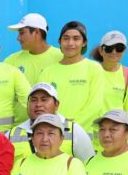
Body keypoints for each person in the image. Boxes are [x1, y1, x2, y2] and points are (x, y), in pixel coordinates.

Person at [39, 21, 105, 150]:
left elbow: (95, 105)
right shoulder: (47, 72)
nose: (70, 43)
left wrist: (70, 129)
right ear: (59, 42)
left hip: (84, 138)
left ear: (84, 42)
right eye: (66, 38)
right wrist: (56, 129)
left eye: (76, 39)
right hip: (54, 139)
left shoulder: (94, 69)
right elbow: (43, 107)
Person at [4, 13, 63, 85]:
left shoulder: (62, 57)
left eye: (22, 33)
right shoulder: (11, 61)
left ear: (36, 32)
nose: (18, 38)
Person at [90, 31, 128, 113]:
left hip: (115, 125)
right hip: (89, 125)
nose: (114, 52)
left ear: (124, 50)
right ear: (101, 50)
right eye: (109, 48)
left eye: (119, 48)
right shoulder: (90, 71)